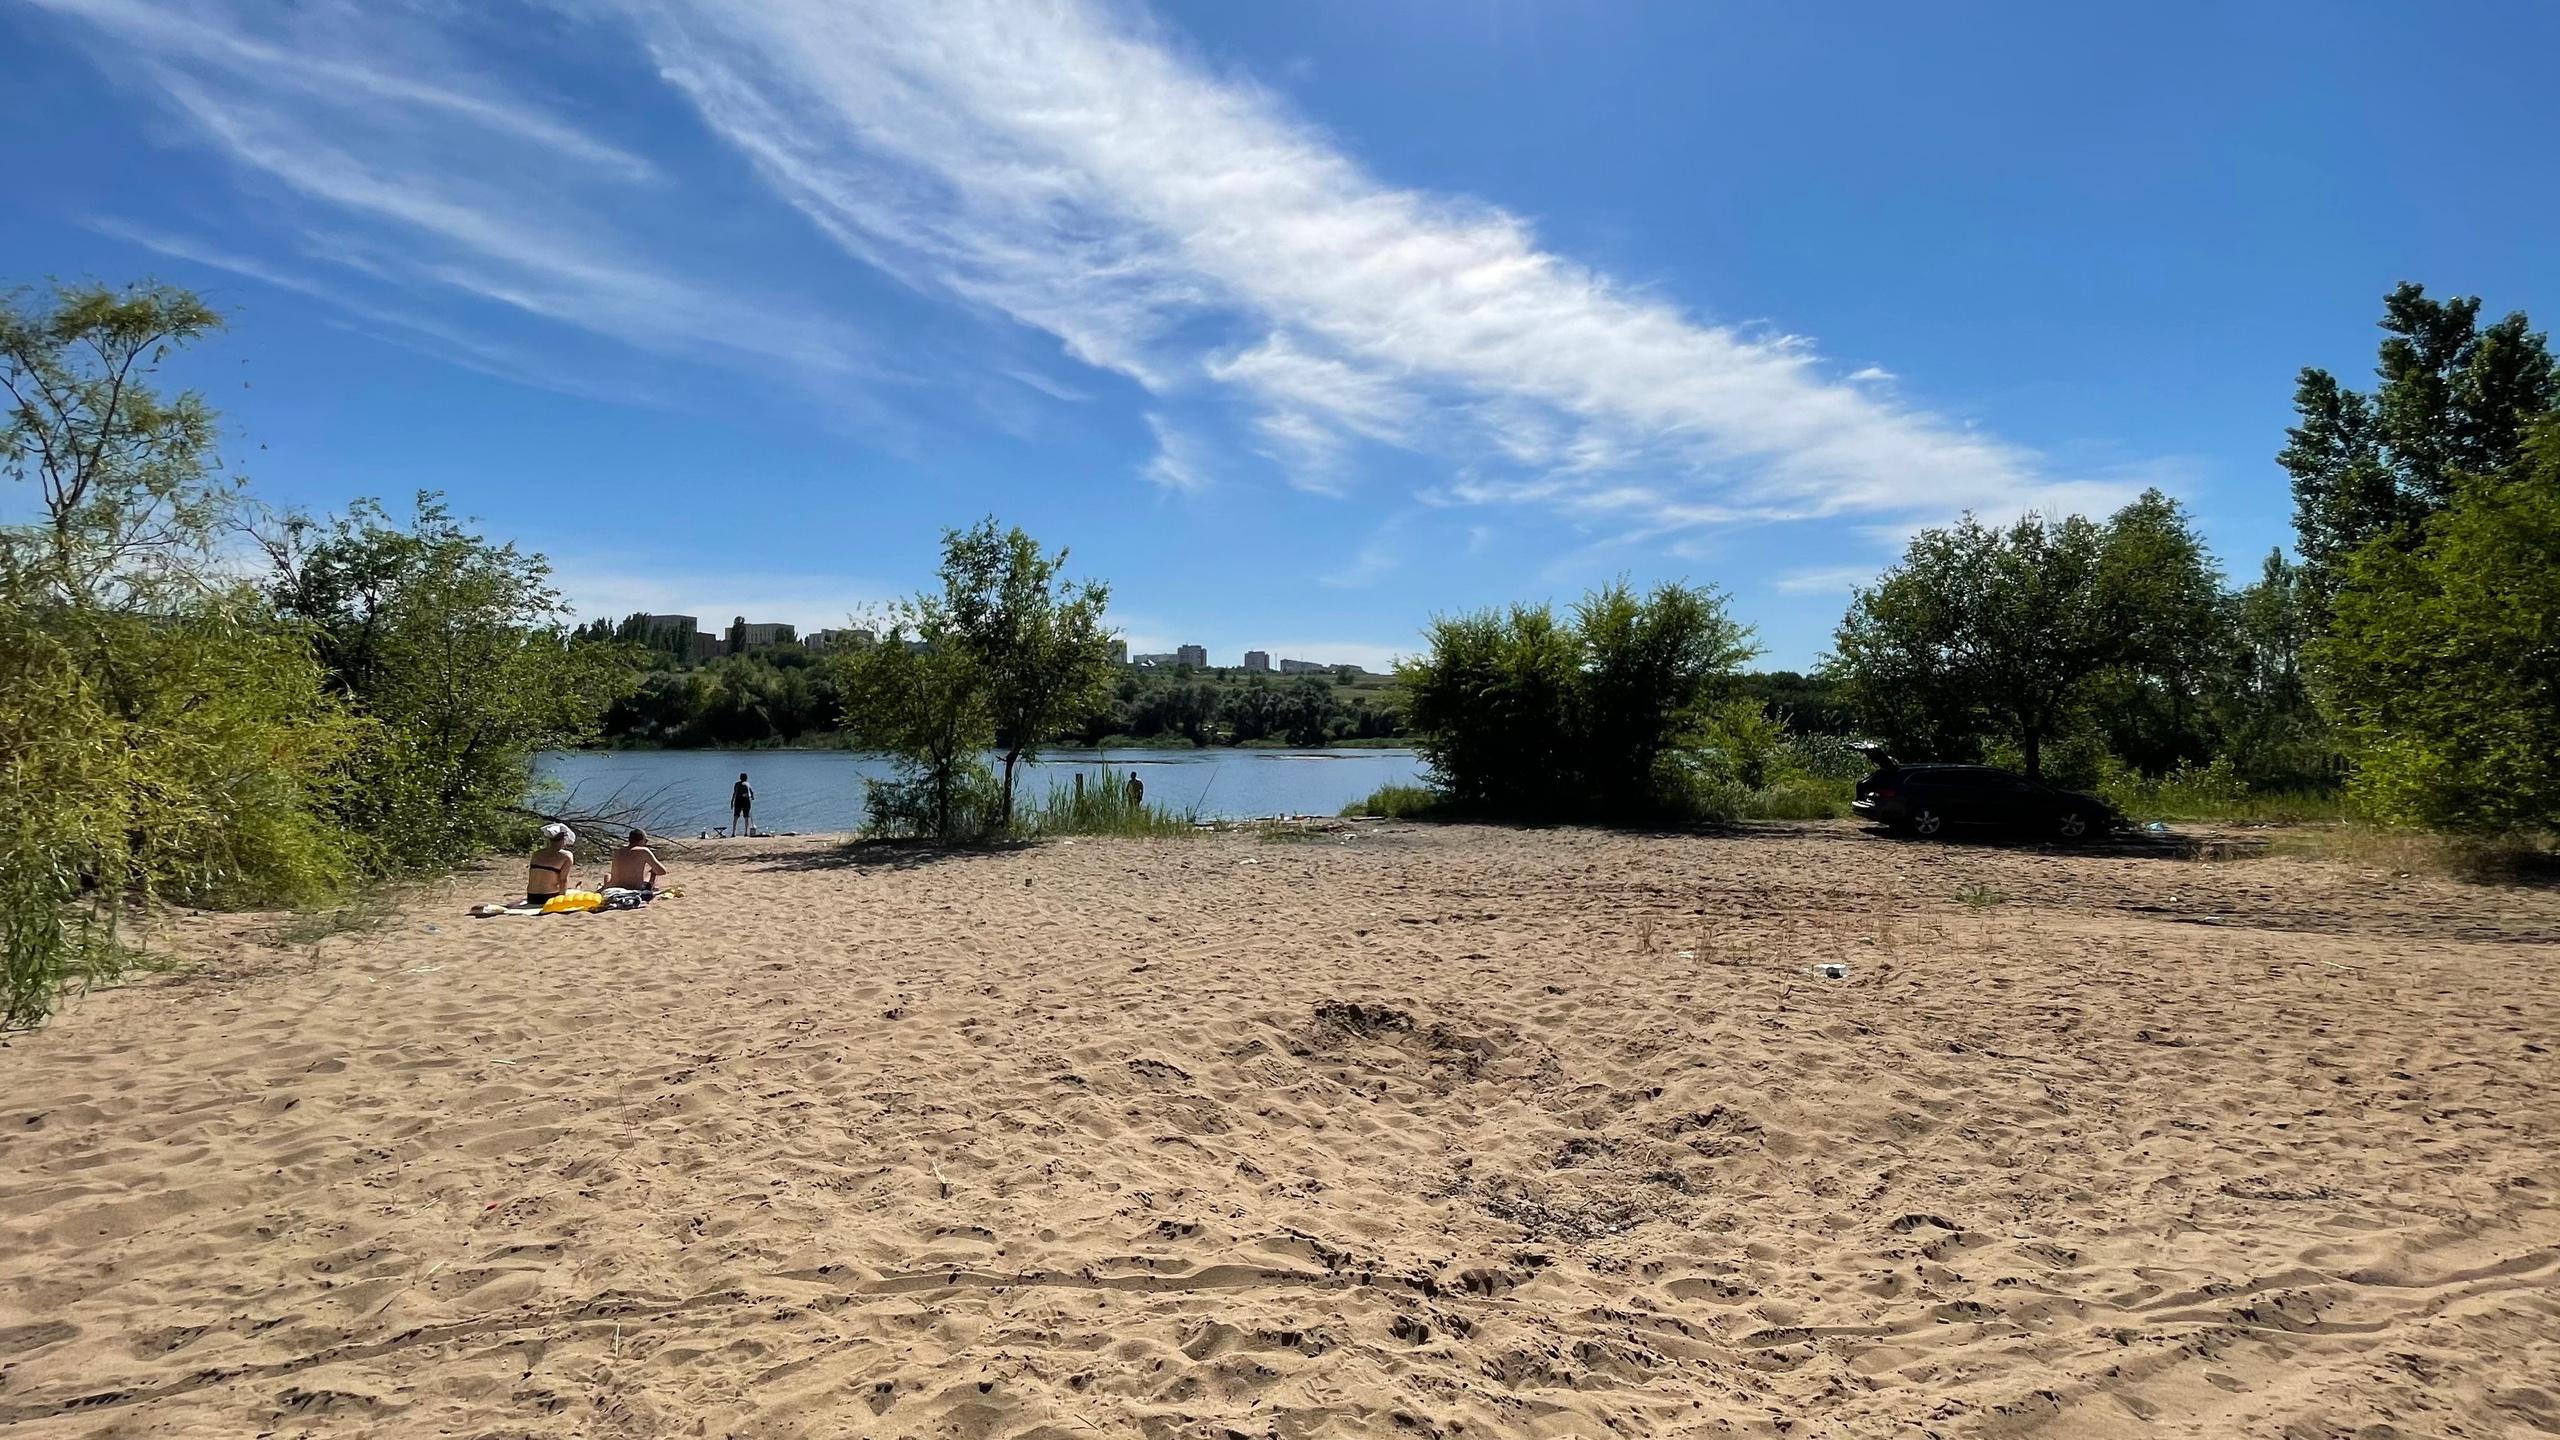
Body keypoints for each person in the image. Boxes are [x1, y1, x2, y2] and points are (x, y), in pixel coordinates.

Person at [526, 823, 576, 905]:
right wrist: (562, 899)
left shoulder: (537, 854)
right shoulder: (566, 856)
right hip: (548, 897)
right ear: (564, 838)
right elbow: (563, 880)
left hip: (531, 896)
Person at [608, 827, 668, 894]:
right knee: (653, 871)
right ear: (641, 841)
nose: (646, 843)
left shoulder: (618, 852)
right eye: (646, 841)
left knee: (608, 876)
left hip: (617, 887)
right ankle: (652, 888)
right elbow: (662, 871)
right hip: (636, 889)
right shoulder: (643, 851)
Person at [731, 772, 754, 836]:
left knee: (736, 816)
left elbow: (734, 793)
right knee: (746, 816)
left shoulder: (737, 784)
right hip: (746, 800)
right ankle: (746, 832)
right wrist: (752, 797)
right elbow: (752, 793)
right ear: (746, 778)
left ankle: (733, 832)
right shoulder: (748, 784)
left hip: (738, 799)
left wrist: (732, 801)